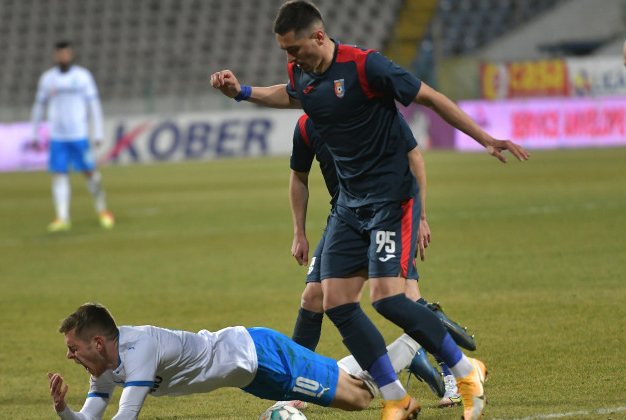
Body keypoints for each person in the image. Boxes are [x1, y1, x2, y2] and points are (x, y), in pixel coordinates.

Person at [210, 2, 530, 418]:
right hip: (348, 207)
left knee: (386, 300)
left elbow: (430, 98)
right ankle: (396, 397)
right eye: (284, 52)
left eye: (295, 49)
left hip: (389, 201)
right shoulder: (301, 74)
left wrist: (485, 138)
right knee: (336, 301)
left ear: (319, 37)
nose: (290, 58)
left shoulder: (366, 67)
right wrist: (243, 92)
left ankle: (465, 370)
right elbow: (289, 94)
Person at [288, 114, 472, 407]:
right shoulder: (306, 125)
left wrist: (420, 217)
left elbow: (414, 158)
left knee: (405, 297)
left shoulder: (370, 104)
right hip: (344, 217)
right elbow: (299, 175)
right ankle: (295, 387)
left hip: (389, 211)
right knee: (313, 296)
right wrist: (299, 231)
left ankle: (453, 372)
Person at [47, 302, 429, 419]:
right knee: (355, 395)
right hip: (250, 377)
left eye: (73, 348)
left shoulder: (138, 348)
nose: (69, 356)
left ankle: (416, 339)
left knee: (359, 399)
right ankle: (401, 358)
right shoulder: (105, 369)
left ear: (98, 342)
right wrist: (64, 410)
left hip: (259, 353)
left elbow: (125, 417)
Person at [31, 41, 114, 232]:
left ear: (72, 55)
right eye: (60, 54)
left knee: (90, 173)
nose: (64, 57)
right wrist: (34, 132)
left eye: (67, 54)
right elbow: (39, 106)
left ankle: (102, 210)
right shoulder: (47, 79)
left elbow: (94, 104)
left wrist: (99, 131)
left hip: (79, 134)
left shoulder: (83, 77)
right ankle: (62, 217)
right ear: (55, 56)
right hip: (58, 136)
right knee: (59, 175)